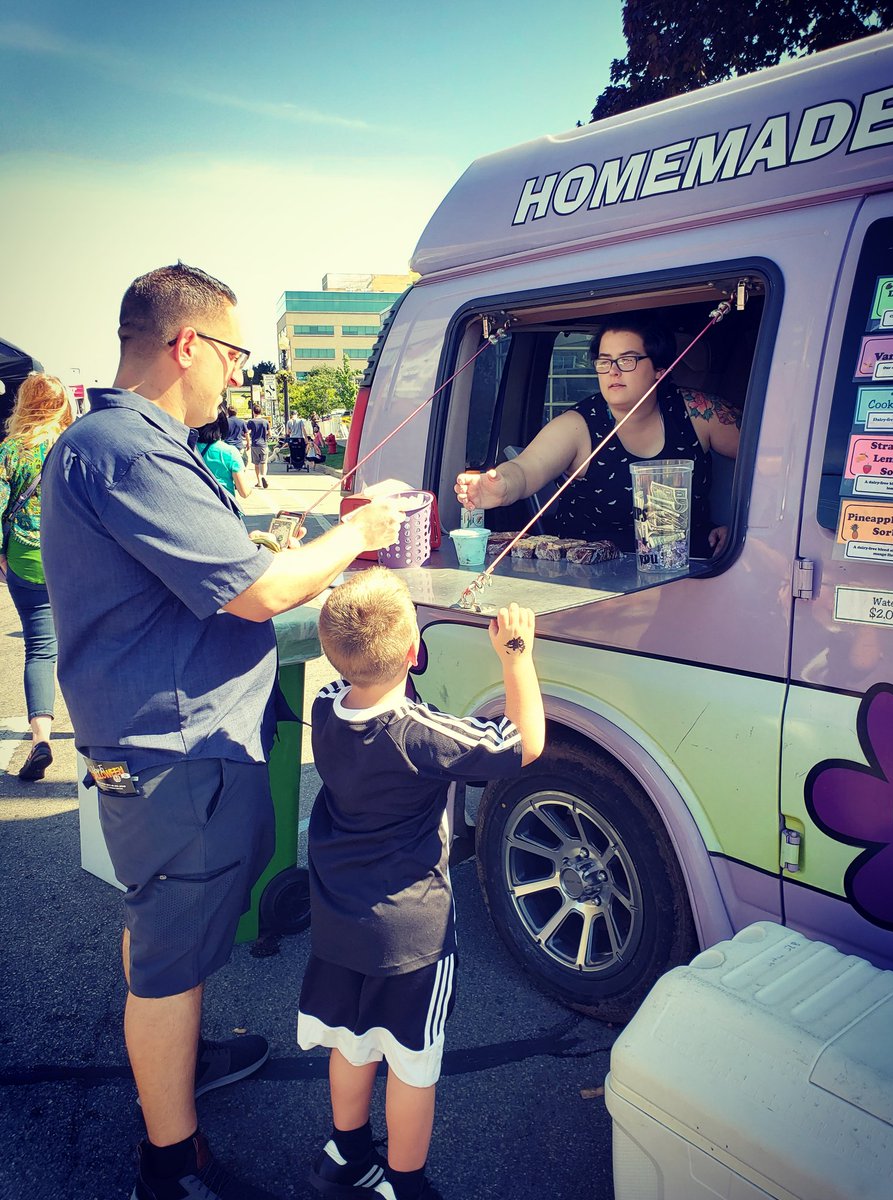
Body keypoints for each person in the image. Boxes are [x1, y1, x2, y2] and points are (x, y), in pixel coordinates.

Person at [40, 261, 405, 1200]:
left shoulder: (116, 442)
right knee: (169, 948)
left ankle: (178, 1063)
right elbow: (260, 593)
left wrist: (266, 549)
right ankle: (171, 1162)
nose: (239, 373)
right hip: (175, 750)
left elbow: (205, 571)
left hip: (164, 743)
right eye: (234, 353)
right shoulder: (131, 449)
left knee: (166, 925)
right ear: (186, 343)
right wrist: (356, 534)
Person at [298, 569, 544, 1200]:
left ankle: (345, 1154)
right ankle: (405, 1186)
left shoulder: (325, 705)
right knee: (412, 1061)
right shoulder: (422, 734)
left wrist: (390, 644)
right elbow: (523, 743)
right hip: (411, 936)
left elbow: (361, 669)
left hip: (338, 919)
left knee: (352, 1042)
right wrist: (516, 654)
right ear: (414, 650)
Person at [456, 315, 740, 558]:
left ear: (659, 369)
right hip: (595, 582)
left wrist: (742, 529)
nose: (613, 371)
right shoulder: (578, 425)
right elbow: (527, 468)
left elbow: (766, 457)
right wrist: (503, 486)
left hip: (694, 570)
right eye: (604, 362)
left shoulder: (698, 412)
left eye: (627, 360)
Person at [0, 373, 73, 781]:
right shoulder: (72, 446)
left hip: (26, 559)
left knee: (41, 649)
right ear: (62, 406)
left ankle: (41, 740)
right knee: (85, 641)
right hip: (73, 559)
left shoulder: (10, 450)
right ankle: (95, 730)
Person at [197, 406, 252, 498]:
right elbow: (244, 492)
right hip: (222, 503)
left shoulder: (189, 448)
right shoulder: (230, 452)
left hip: (196, 502)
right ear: (223, 426)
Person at [247, 402, 271, 488]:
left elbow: (247, 432)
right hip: (263, 445)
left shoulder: (251, 421)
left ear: (254, 412)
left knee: (256, 464)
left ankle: (259, 482)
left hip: (254, 445)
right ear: (261, 412)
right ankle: (264, 476)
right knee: (264, 462)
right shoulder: (265, 422)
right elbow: (270, 434)